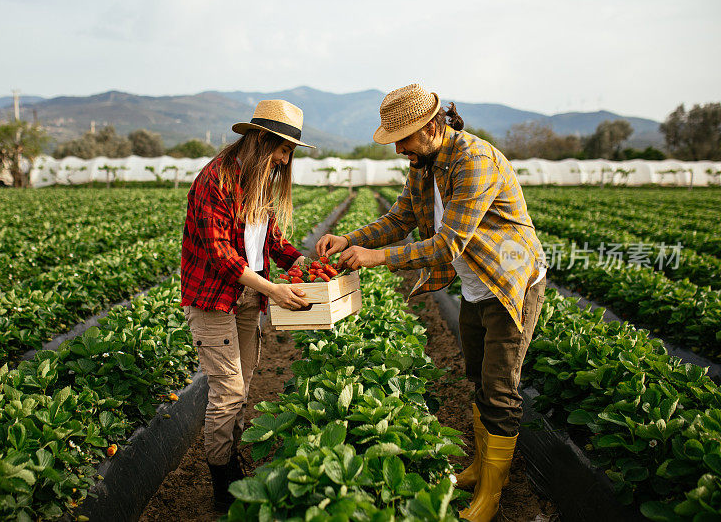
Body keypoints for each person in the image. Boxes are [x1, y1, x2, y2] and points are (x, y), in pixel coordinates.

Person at [316, 84, 547, 522]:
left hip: (509, 283)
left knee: (499, 389)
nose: (399, 148)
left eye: (403, 138)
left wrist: (379, 257)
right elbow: (401, 218)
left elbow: (449, 243)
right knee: (478, 378)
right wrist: (351, 239)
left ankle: (492, 496)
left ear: (432, 126)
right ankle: (481, 469)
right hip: (476, 287)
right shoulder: (424, 165)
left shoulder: (475, 161)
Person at [180, 99, 313, 510]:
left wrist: (305, 262)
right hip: (215, 300)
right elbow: (222, 256)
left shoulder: (259, 182)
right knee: (228, 391)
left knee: (244, 385)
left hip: (249, 297)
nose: (283, 160)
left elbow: (268, 241)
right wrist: (275, 291)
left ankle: (231, 459)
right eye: (282, 149)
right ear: (260, 140)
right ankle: (222, 483)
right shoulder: (215, 180)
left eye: (289, 152)